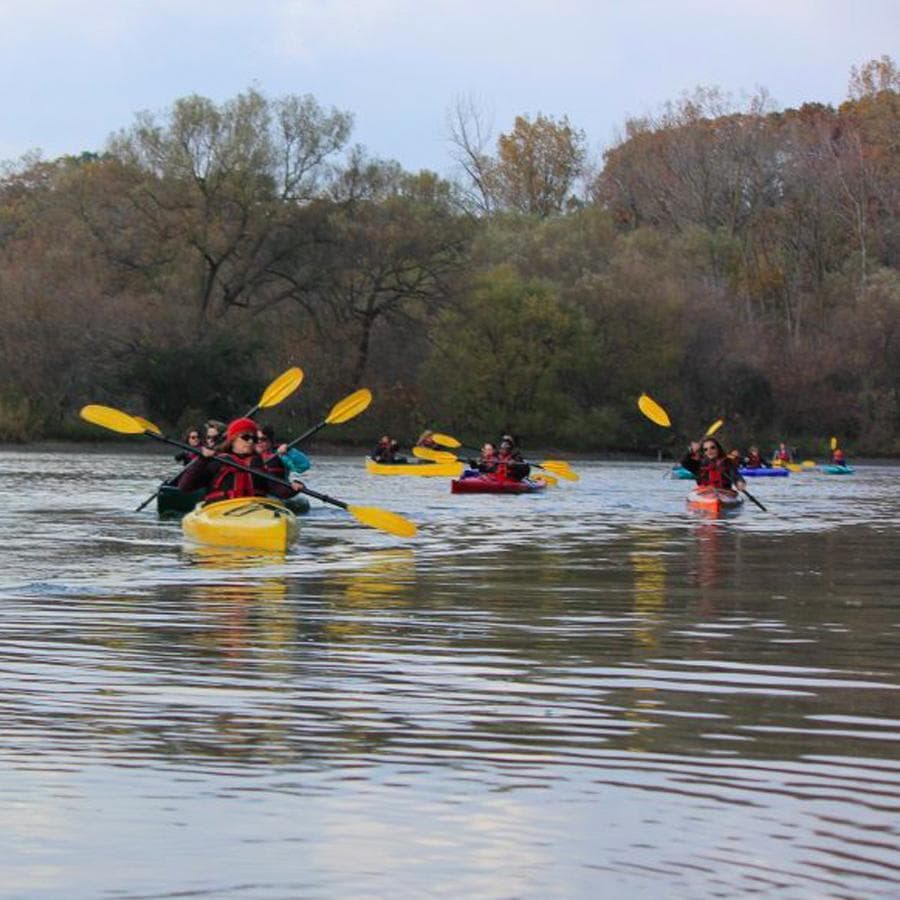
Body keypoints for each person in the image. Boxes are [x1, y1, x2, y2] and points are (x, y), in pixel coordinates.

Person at [177, 417, 304, 501]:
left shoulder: (257, 463)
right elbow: (185, 486)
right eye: (245, 437)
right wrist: (201, 460)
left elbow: (278, 490)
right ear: (233, 439)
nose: (251, 441)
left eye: (254, 439)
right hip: (219, 511)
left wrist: (294, 488)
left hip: (253, 511)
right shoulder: (217, 461)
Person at [681, 437, 746, 492]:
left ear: (718, 449)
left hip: (724, 492)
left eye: (712, 447)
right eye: (705, 449)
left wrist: (739, 481)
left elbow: (735, 474)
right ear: (703, 452)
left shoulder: (727, 462)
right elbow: (684, 461)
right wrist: (691, 451)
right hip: (704, 493)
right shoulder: (699, 464)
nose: (709, 450)